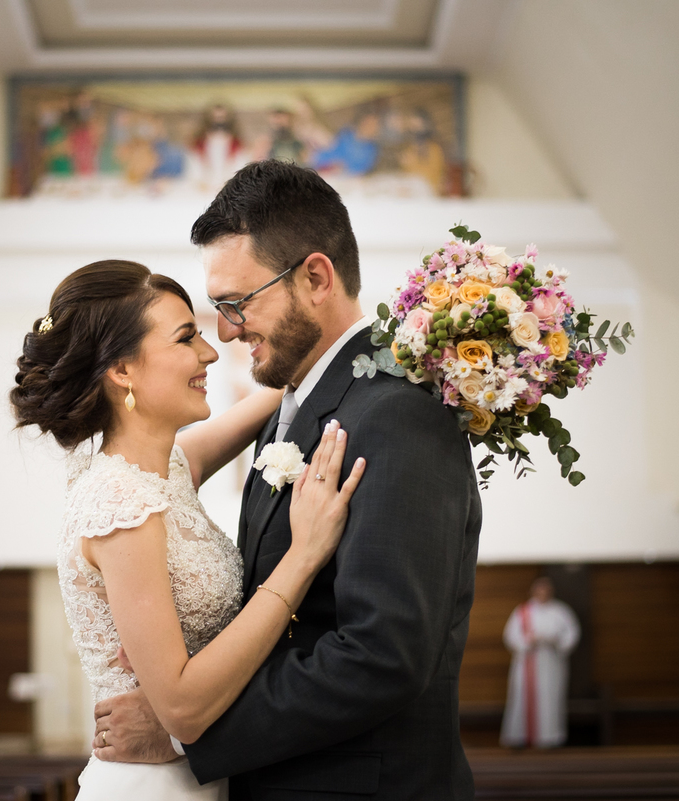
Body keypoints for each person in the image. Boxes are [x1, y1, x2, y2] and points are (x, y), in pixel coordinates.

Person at [92, 160, 483, 800]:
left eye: (236, 303)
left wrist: (193, 734)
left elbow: (383, 656)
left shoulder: (398, 414)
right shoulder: (302, 405)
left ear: (316, 277)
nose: (224, 332)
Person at [10, 259, 366, 800]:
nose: (210, 352)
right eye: (185, 339)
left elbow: (281, 391)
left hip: (205, 778)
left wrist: (350, 337)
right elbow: (181, 707)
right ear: (122, 371)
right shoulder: (120, 504)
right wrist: (304, 554)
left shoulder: (166, 468)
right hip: (152, 787)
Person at [499, 577, 580, 749]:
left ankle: (550, 738)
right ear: (533, 591)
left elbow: (572, 634)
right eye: (539, 590)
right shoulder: (522, 612)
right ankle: (519, 737)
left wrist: (555, 641)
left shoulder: (561, 611)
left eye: (546, 590)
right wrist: (528, 641)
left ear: (550, 591)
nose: (542, 593)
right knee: (521, 699)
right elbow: (510, 636)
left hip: (551, 665)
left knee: (550, 700)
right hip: (527, 663)